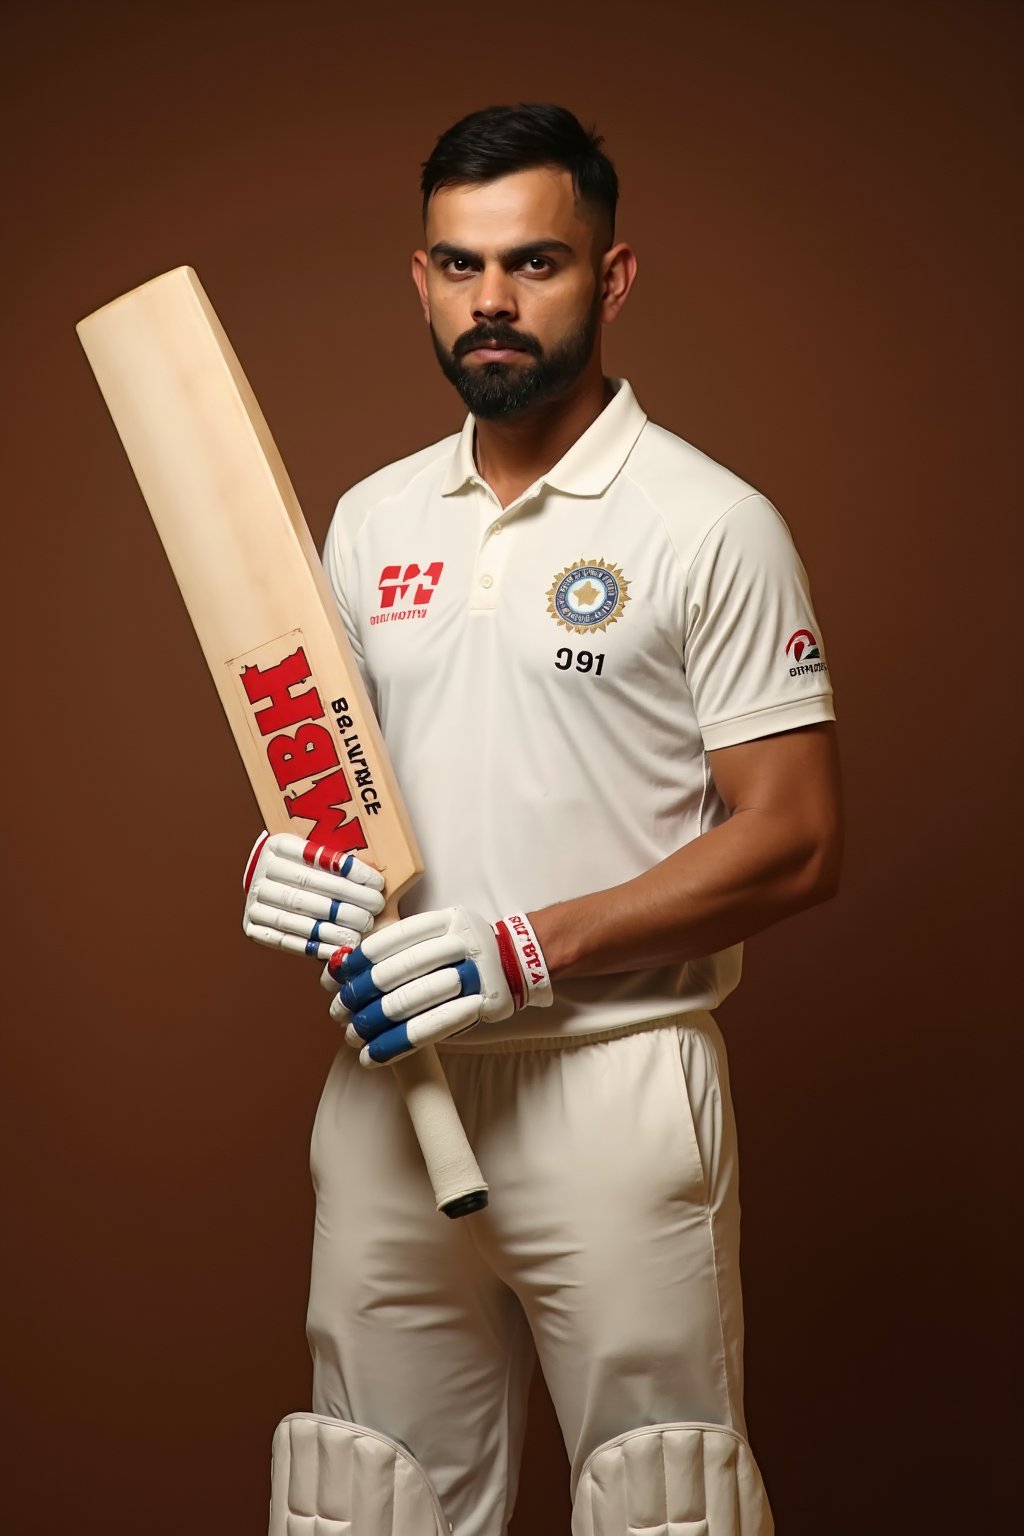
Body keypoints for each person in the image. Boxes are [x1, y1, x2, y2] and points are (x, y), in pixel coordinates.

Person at [250, 103, 842, 1536]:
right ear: (421, 277)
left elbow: (797, 835)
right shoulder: (372, 520)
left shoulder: (710, 523)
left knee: (662, 1503)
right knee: (360, 1500)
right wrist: (287, 867)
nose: (493, 303)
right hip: (392, 1091)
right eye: (460, 267)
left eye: (535, 264)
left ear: (613, 276)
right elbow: (337, 786)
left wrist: (532, 945)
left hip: (617, 1084)